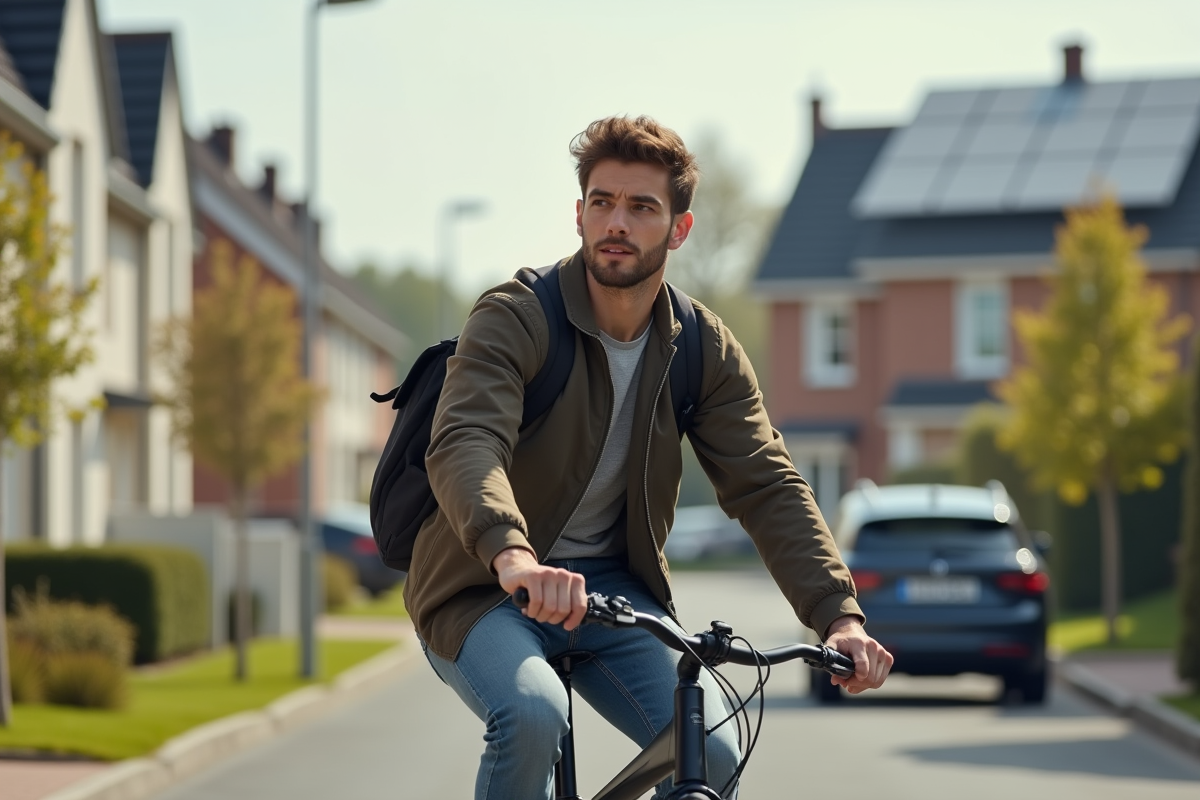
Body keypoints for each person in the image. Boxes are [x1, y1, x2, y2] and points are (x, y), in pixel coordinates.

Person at [406, 115, 893, 800]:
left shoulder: (702, 348)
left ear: (680, 229)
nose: (617, 222)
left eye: (641, 207)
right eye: (602, 202)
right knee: (532, 714)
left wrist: (838, 616)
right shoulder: (517, 316)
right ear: (578, 214)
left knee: (714, 753)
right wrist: (513, 555)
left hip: (612, 592)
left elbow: (767, 483)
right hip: (485, 586)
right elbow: (467, 440)